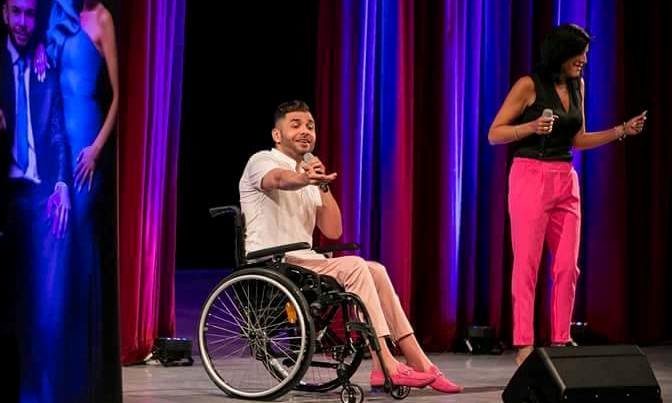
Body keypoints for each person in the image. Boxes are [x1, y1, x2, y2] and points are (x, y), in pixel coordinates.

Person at [239, 100, 462, 393]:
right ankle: (386, 364)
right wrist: (303, 178)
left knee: (376, 270)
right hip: (273, 261)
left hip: (304, 260)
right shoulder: (262, 160)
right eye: (296, 125)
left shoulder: (309, 173)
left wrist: (320, 184)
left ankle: (419, 362)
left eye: (310, 126)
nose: (305, 131)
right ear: (277, 135)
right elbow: (278, 180)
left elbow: (333, 230)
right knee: (355, 266)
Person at [487, 24, 647, 365]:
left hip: (565, 178)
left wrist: (621, 130)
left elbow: (578, 139)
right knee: (527, 265)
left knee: (567, 267)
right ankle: (524, 344)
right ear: (561, 53)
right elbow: (494, 134)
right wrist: (529, 127)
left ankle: (561, 340)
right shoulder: (529, 85)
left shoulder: (578, 85)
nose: (584, 60)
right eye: (579, 53)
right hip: (530, 175)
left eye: (586, 54)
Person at [0, 0, 72, 400]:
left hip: (39, 197)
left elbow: (58, 126)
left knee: (45, 313)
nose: (22, 22)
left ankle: (42, 391)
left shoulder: (45, 62)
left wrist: (62, 182)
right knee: (0, 312)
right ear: (4, 13)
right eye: (16, 12)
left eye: (29, 14)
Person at [34, 0, 122, 400]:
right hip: (57, 139)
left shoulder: (102, 17)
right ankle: (59, 346)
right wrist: (41, 49)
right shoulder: (58, 14)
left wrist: (97, 149)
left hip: (86, 138)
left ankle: (87, 350)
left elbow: (117, 96)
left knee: (80, 239)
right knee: (56, 238)